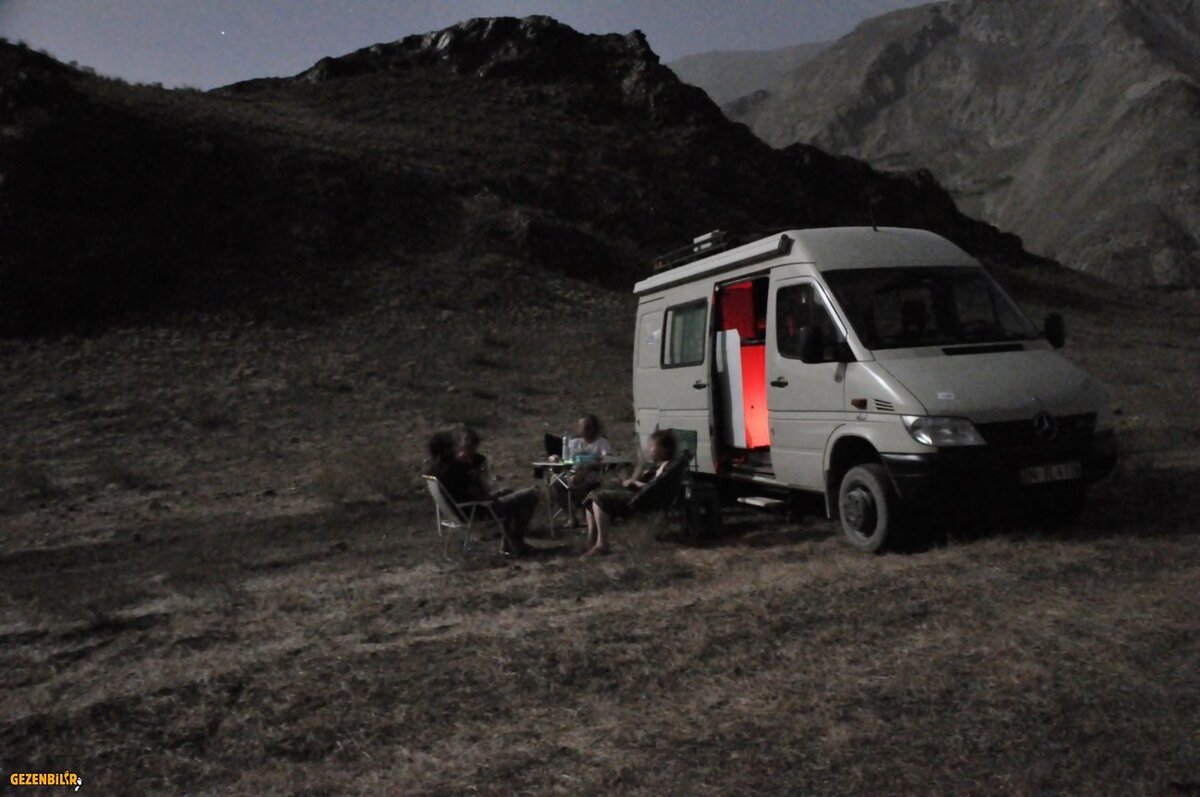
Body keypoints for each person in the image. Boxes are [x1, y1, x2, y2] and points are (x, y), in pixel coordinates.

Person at [426, 430, 538, 557]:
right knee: (530, 495)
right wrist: (494, 496)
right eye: (453, 445)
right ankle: (514, 544)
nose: (456, 447)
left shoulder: (434, 469)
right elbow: (479, 495)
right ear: (447, 449)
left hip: (458, 512)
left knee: (512, 495)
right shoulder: (457, 468)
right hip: (478, 512)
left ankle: (510, 544)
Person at [580, 429, 677, 558]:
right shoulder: (659, 466)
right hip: (640, 496)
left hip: (641, 501)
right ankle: (591, 541)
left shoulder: (666, 468)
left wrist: (634, 483)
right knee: (592, 497)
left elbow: (655, 489)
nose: (650, 449)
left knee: (599, 499)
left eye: (653, 446)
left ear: (663, 449)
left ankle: (602, 544)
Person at [553, 414, 614, 525]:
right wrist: (557, 461)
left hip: (592, 475)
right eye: (582, 427)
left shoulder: (601, 442)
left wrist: (590, 467)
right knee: (556, 482)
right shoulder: (574, 442)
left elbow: (608, 459)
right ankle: (571, 516)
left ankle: (586, 512)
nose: (585, 430)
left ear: (594, 428)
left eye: (587, 427)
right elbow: (568, 461)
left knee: (575, 482)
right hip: (574, 473)